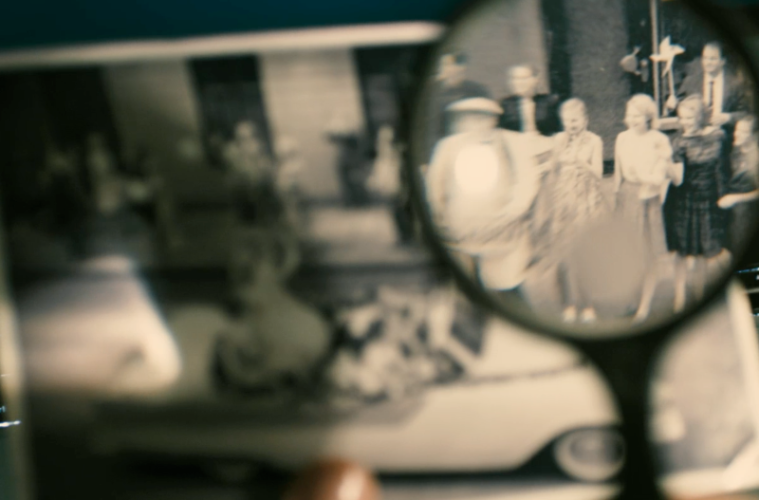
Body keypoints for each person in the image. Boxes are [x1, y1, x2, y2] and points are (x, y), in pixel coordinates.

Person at [424, 97, 539, 301]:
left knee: (505, 286)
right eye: (469, 118)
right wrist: (440, 218)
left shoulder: (511, 142)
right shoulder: (448, 146)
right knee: (464, 289)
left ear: (494, 119)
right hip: (461, 230)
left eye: (483, 118)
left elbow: (527, 179)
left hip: (503, 230)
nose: (476, 124)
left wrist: (514, 210)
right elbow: (435, 186)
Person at [613, 94, 680, 322]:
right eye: (629, 115)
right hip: (627, 198)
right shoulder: (622, 138)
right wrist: (617, 200)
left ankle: (644, 306)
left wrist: (647, 176)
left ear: (649, 117)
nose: (632, 120)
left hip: (648, 200)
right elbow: (618, 175)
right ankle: (632, 299)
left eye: (638, 116)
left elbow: (662, 176)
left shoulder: (659, 139)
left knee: (649, 255)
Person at [664, 95, 732, 313]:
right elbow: (677, 178)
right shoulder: (678, 141)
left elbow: (722, 169)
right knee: (682, 252)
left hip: (710, 199)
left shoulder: (718, 136)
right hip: (684, 200)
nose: (685, 122)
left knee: (704, 251)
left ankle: (700, 297)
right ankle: (679, 297)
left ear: (701, 116)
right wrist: (666, 164)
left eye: (690, 117)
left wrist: (723, 197)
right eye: (682, 118)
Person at [547, 98, 608, 323]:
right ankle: (568, 304)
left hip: (586, 202)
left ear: (585, 119)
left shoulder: (594, 141)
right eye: (566, 120)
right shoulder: (558, 140)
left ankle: (588, 304)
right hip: (563, 202)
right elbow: (553, 170)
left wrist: (582, 164)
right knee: (564, 255)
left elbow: (599, 173)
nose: (570, 125)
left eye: (575, 120)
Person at [667, 41, 750, 133]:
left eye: (712, 59)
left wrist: (728, 118)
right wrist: (672, 106)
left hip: (724, 134)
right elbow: (679, 110)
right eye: (705, 58)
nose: (708, 62)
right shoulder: (690, 82)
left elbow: (747, 113)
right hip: (696, 135)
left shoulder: (734, 84)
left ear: (722, 61)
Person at [426, 50, 491, 157]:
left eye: (448, 64)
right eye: (443, 65)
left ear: (461, 67)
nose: (443, 69)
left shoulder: (476, 91)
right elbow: (425, 127)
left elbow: (487, 121)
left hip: (469, 148)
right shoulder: (431, 92)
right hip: (439, 148)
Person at [718, 115, 759, 252]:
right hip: (732, 206)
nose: (737, 134)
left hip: (748, 210)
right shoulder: (736, 148)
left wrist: (735, 198)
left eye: (744, 132)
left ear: (754, 135)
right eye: (737, 130)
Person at [498, 64, 560, 136]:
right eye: (515, 79)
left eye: (523, 78)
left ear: (535, 80)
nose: (519, 83)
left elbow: (560, 129)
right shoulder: (504, 105)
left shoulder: (550, 102)